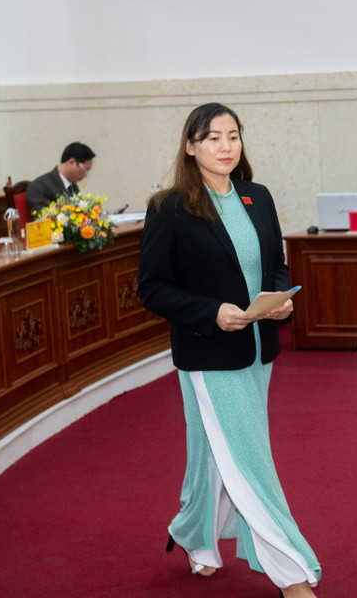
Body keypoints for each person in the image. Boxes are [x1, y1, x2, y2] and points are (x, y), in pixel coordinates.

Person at [137, 103, 320, 598]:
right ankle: (293, 572)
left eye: (233, 136)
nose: (225, 146)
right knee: (248, 456)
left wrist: (279, 300)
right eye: (213, 137)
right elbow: (152, 287)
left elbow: (275, 264)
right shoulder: (170, 207)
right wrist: (211, 312)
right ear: (191, 146)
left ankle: (194, 535)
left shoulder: (256, 196)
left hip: (257, 349)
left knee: (212, 450)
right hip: (209, 352)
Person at [26, 142, 95, 218]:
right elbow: (44, 218)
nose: (85, 176)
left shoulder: (73, 187)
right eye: (86, 170)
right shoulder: (40, 187)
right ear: (72, 163)